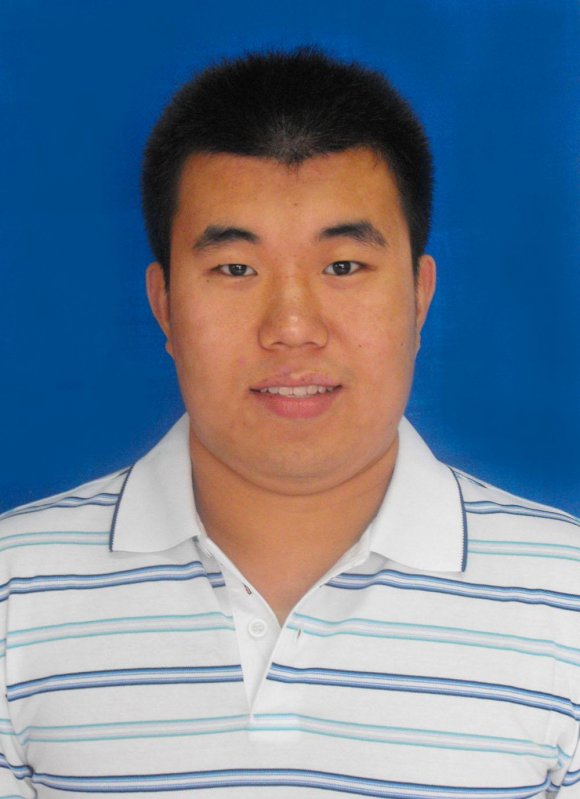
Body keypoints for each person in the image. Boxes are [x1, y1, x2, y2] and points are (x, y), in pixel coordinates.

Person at [1, 47, 579, 798]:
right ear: (165, 304)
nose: (293, 328)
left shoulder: (567, 599)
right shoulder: (14, 594)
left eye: (343, 266)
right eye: (235, 269)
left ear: (419, 296)